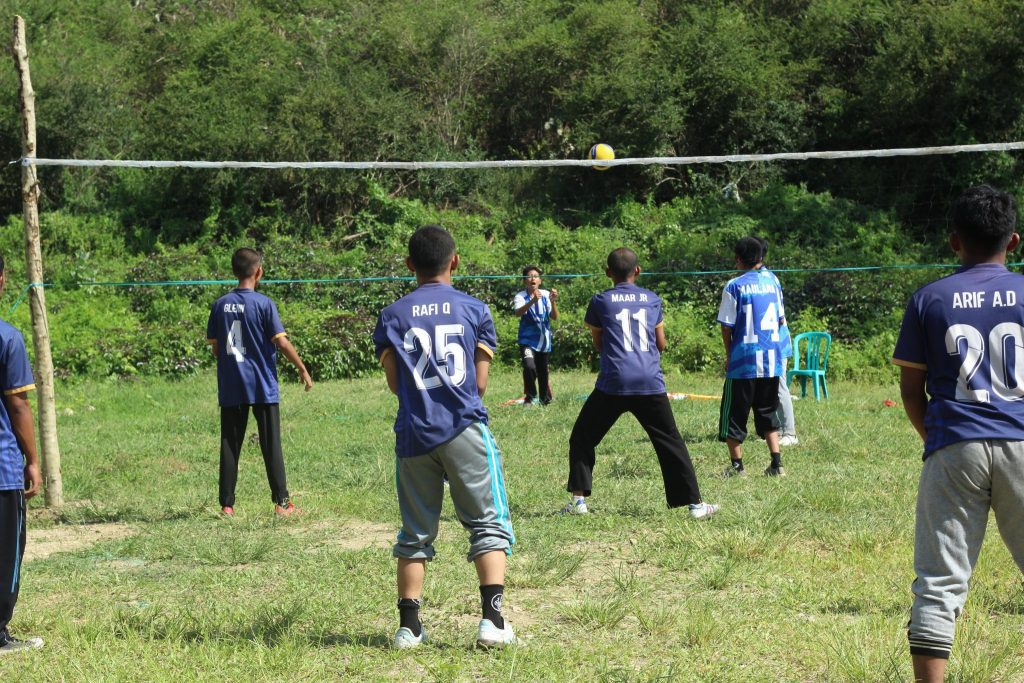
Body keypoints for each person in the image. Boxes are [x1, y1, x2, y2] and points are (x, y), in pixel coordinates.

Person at [893, 184, 1024, 683]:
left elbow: (911, 390)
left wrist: (938, 438)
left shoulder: (929, 298)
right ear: (1013, 242)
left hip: (954, 446)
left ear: (953, 242)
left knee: (940, 582)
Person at [373, 224, 516, 649]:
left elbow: (397, 385)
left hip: (414, 432)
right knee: (487, 522)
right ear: (455, 261)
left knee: (415, 533)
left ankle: (409, 628)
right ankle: (492, 621)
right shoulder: (475, 309)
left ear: (408, 265)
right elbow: (481, 384)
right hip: (465, 427)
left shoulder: (393, 316)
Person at [561, 247, 718, 519]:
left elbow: (599, 343)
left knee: (583, 437)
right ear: (638, 271)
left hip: (614, 383)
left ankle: (578, 502)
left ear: (608, 272)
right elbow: (661, 344)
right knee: (671, 442)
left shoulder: (600, 300)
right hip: (649, 382)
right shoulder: (652, 299)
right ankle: (695, 505)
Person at [206, 247, 313, 517]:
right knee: (270, 443)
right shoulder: (264, 304)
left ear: (233, 272)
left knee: (230, 443)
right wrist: (301, 367)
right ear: (259, 272)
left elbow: (217, 348)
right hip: (262, 386)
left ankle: (227, 505)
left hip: (232, 386)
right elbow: (281, 341)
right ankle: (282, 503)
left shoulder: (220, 305)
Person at [0, 255, 44, 655]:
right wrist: (32, 459)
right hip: (1, 469)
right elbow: (18, 407)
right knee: (6, 550)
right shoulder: (7, 337)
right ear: (1, 280)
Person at [717, 236, 788, 477]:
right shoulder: (773, 281)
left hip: (744, 362)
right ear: (760, 258)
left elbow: (726, 326)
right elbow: (780, 320)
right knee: (768, 411)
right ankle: (776, 463)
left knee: (733, 415)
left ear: (738, 259)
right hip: (771, 361)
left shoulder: (734, 286)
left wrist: (729, 355)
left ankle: (737, 467)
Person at [756, 237, 799, 447]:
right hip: (766, 342)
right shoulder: (762, 277)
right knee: (769, 387)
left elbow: (778, 317)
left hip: (776, 342)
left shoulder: (766, 279)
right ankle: (775, 430)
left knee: (779, 386)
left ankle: (789, 432)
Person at [512, 265, 558, 405]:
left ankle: (545, 399)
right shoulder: (520, 296)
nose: (533, 278)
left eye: (536, 276)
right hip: (527, 340)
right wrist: (532, 301)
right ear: (524, 281)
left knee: (543, 372)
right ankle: (530, 397)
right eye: (529, 276)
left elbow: (554, 317)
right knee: (529, 366)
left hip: (543, 340)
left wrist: (553, 301)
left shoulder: (545, 294)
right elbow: (518, 313)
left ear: (540, 280)